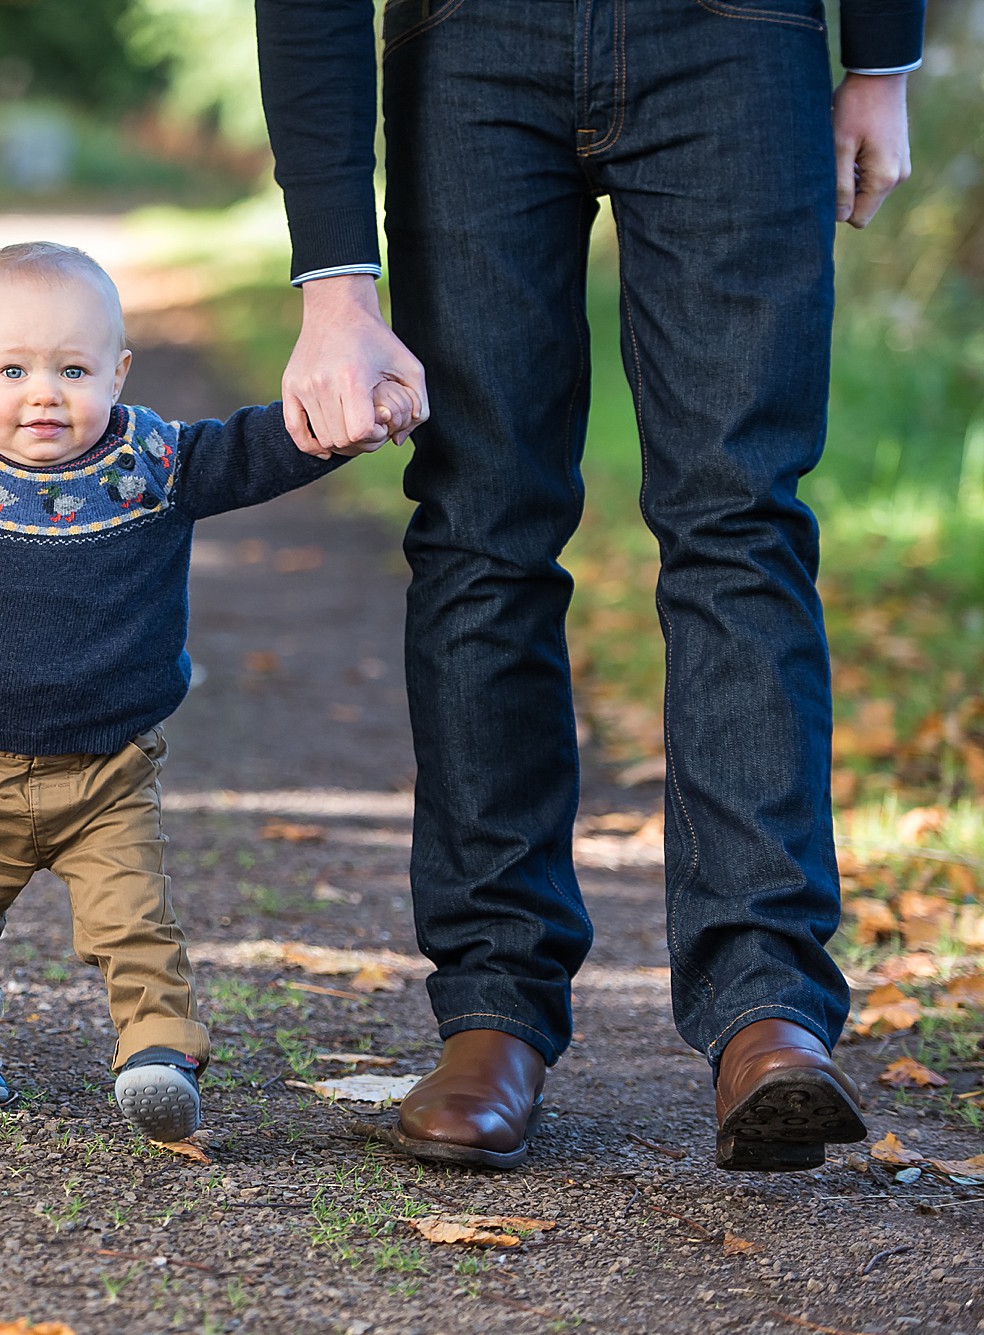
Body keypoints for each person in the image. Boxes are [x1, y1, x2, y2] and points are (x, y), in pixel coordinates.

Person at [255, 0, 923, 1169]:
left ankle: (767, 1006)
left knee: (740, 517)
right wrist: (334, 284)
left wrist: (878, 57)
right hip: (466, 44)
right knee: (478, 524)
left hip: (733, 33)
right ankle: (490, 1011)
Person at [0, 242, 406, 1139]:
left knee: (134, 920)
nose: (44, 393)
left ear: (120, 370)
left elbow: (261, 451)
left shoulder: (156, 464)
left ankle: (157, 1051)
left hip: (108, 768)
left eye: (74, 368)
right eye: (13, 368)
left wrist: (347, 417)